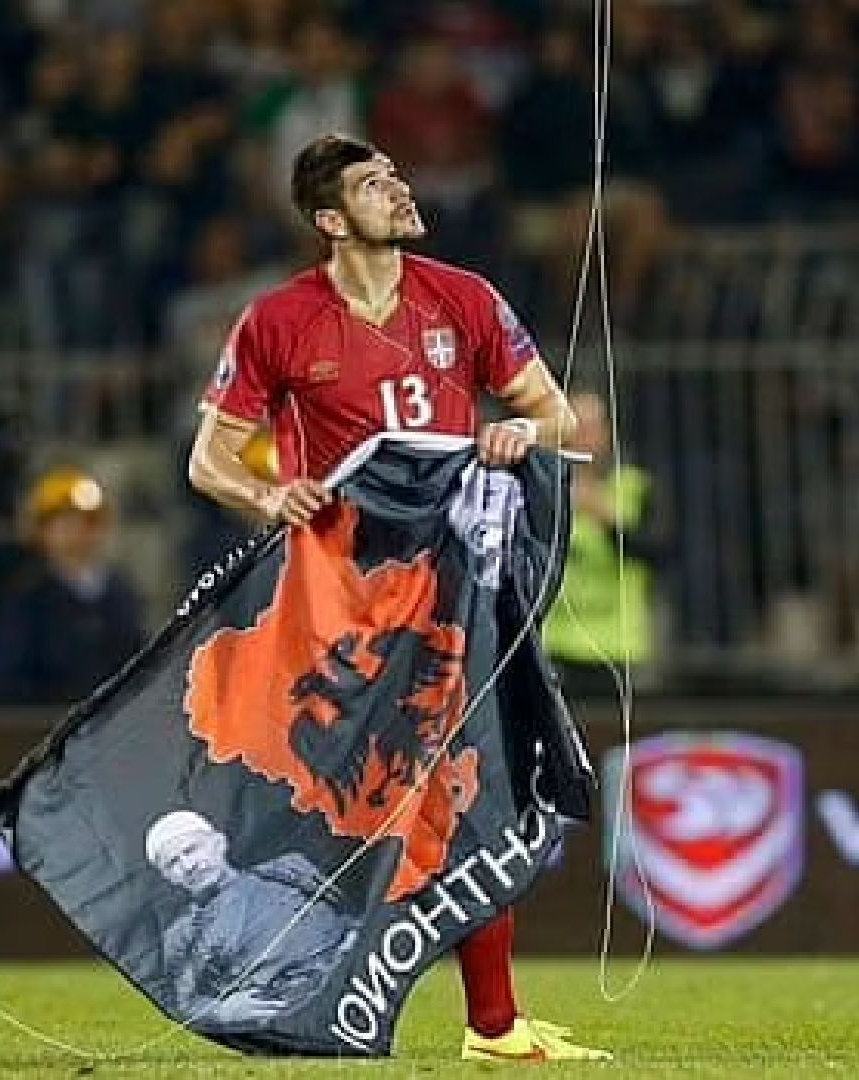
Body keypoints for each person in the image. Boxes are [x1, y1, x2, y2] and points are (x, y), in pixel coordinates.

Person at [185, 132, 603, 1062]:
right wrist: (266, 493)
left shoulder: (466, 298)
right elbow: (208, 458)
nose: (401, 189)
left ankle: (493, 1023)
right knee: (346, 807)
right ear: (332, 221)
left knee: (470, 788)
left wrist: (514, 435)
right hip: (337, 601)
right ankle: (278, 983)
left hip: (451, 586)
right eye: (376, 184)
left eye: (400, 175)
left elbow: (555, 412)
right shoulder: (278, 321)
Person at [143, 809, 359, 1028]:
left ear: (219, 843)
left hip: (353, 986)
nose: (188, 866)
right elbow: (183, 1002)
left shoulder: (289, 870)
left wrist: (356, 940)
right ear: (168, 877)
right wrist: (221, 1012)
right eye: (172, 863)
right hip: (291, 1016)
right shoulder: (181, 935)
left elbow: (347, 912)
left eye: (192, 850)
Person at [0, 466, 145, 703]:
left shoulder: (119, 593)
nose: (76, 531)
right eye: (63, 521)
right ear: (42, 532)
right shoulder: (27, 596)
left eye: (87, 521)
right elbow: (7, 677)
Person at [543, 391, 660, 695]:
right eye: (576, 426)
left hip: (616, 644)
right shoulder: (543, 489)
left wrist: (606, 518)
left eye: (591, 427)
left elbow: (657, 551)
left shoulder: (635, 487)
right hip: (557, 642)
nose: (583, 436)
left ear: (607, 432)